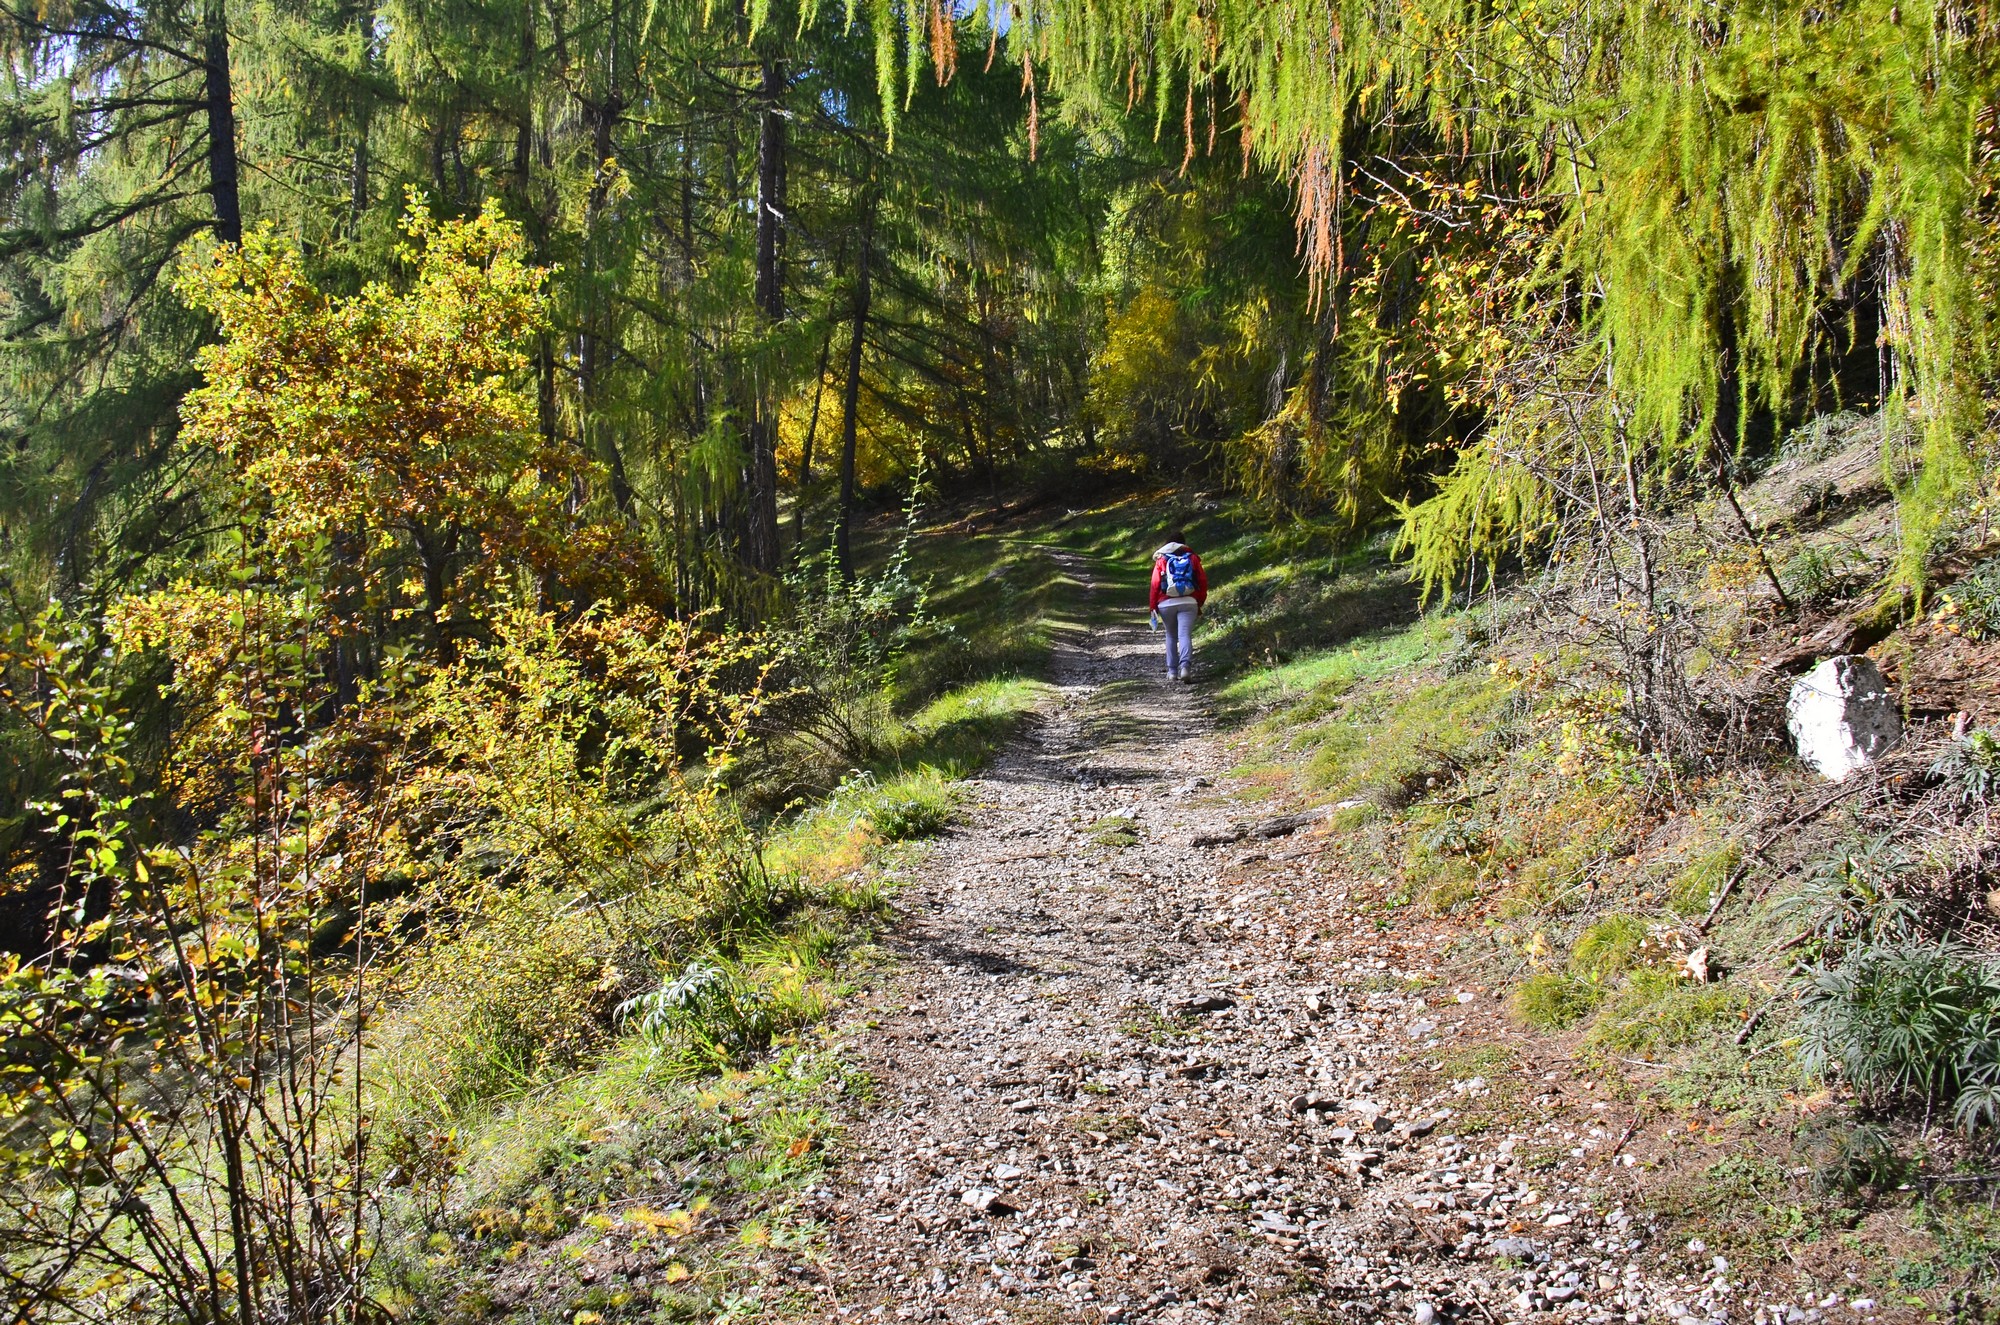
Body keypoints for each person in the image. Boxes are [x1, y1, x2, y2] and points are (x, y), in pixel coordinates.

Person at [1148, 530, 1207, 683]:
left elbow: (1155, 584)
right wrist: (1199, 601)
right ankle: (1186, 667)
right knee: (1184, 635)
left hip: (1166, 603)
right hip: (1189, 602)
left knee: (1171, 636)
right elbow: (1202, 581)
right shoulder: (1192, 558)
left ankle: (1173, 672)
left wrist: (1153, 606)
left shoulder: (1161, 559)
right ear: (1183, 543)